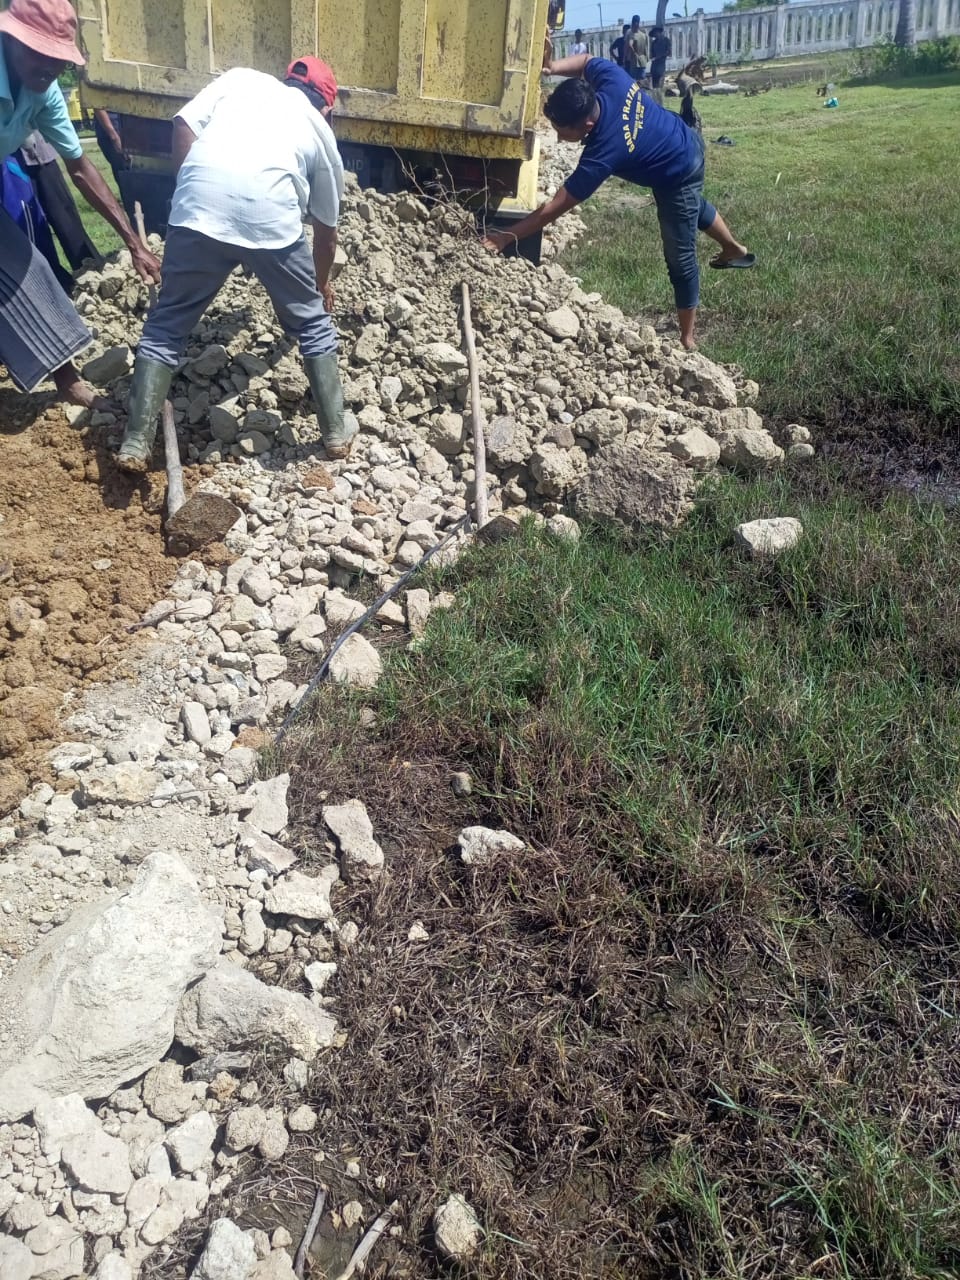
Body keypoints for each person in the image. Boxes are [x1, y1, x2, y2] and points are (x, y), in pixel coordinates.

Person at [115, 56, 355, 472]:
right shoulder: (319, 129)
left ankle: (136, 442)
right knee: (313, 325)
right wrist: (317, 287)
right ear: (328, 109)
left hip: (197, 209)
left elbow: (182, 125)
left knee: (167, 324)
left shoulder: (241, 79)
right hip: (273, 221)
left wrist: (195, 197)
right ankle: (335, 432)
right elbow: (326, 232)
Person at [483, 53, 755, 351]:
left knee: (680, 253)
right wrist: (553, 67)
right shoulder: (612, 81)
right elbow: (587, 60)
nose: (559, 140)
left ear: (587, 125)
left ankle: (688, 340)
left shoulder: (603, 152)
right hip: (685, 139)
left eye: (562, 132)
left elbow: (551, 210)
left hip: (678, 170)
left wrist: (504, 237)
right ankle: (733, 248)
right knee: (689, 208)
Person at [0, 0, 159, 408]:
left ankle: (67, 380)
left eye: (58, 58)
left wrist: (133, 242)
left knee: (32, 270)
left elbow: (81, 167)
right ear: (9, 39)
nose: (50, 67)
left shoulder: (44, 91)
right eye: (40, 52)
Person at [18, 129, 100, 277]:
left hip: (40, 155)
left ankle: (92, 271)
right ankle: (50, 283)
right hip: (9, 163)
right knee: (30, 230)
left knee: (66, 218)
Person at [649, 25, 672, 101]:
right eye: (654, 34)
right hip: (654, 66)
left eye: (656, 33)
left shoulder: (666, 41)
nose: (655, 35)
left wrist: (659, 56)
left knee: (660, 86)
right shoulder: (653, 43)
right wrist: (652, 57)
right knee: (654, 87)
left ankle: (660, 101)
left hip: (661, 66)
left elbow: (669, 53)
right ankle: (655, 101)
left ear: (659, 32)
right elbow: (651, 55)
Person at [624, 16, 649, 81]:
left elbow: (629, 45)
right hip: (643, 59)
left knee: (633, 81)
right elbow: (646, 48)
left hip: (634, 60)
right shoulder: (643, 35)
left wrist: (626, 57)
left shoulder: (631, 34)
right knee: (642, 80)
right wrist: (647, 58)